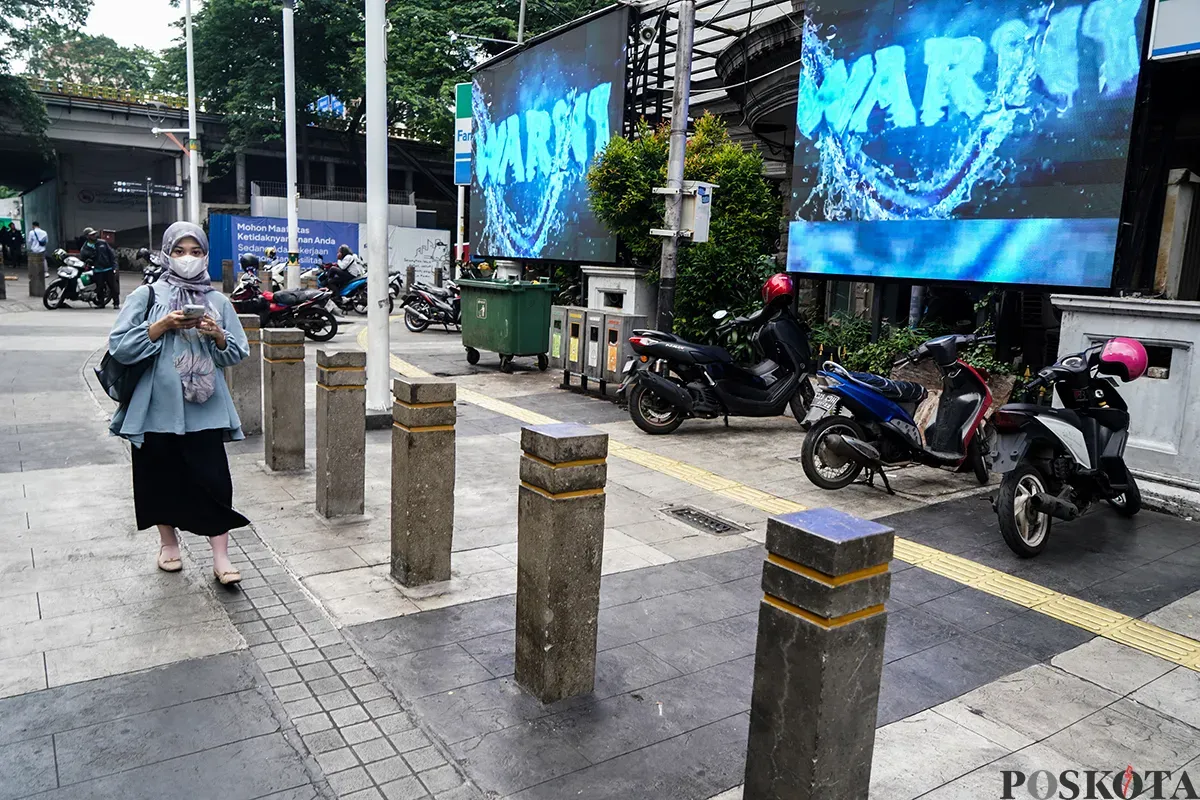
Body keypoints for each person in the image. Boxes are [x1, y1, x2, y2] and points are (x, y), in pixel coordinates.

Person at [107, 221, 251, 584]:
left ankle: (221, 557)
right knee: (158, 477)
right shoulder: (148, 296)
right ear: (167, 254)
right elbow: (119, 346)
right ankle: (168, 544)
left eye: (196, 251)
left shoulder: (217, 300)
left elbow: (237, 352)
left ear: (206, 255)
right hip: (154, 408)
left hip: (204, 409)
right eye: (179, 251)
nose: (188, 258)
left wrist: (217, 334)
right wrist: (160, 326)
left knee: (214, 480)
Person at [80, 227, 121, 309]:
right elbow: (83, 257)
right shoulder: (85, 247)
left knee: (113, 286)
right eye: (92, 235)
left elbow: (112, 255)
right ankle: (101, 303)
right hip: (97, 269)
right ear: (87, 237)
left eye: (94, 234)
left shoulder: (103, 243)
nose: (94, 236)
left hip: (108, 268)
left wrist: (115, 267)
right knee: (99, 287)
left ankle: (116, 303)